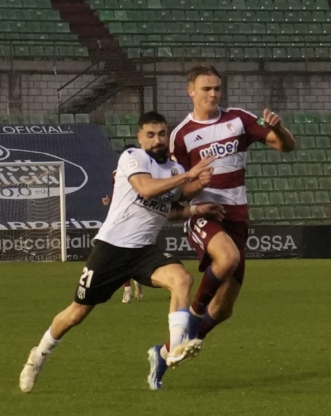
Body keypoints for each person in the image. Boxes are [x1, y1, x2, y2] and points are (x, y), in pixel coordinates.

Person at [18, 112, 218, 393]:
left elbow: (168, 208)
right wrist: (189, 176)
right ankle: (37, 356)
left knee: (182, 280)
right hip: (111, 249)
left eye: (162, 134)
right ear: (140, 137)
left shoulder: (173, 169)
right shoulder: (133, 157)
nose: (157, 140)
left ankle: (175, 347)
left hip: (144, 251)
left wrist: (197, 200)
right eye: (151, 134)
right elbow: (147, 190)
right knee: (76, 313)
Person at [146, 64, 296, 390]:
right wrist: (195, 185)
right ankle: (189, 318)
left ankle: (165, 353)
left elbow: (286, 146)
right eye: (206, 89)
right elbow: (176, 190)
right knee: (227, 259)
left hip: (237, 215)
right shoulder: (182, 135)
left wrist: (279, 129)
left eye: (216, 88)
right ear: (191, 91)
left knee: (225, 308)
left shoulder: (239, 119)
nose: (213, 94)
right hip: (204, 214)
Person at [102, 144, 144, 303]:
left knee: (130, 254)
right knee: (122, 255)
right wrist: (109, 200)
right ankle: (128, 289)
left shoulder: (145, 173)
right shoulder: (116, 174)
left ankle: (135, 281)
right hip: (121, 219)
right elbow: (119, 194)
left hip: (137, 218)